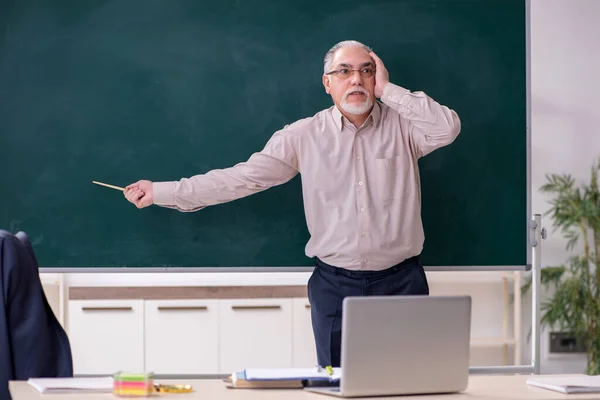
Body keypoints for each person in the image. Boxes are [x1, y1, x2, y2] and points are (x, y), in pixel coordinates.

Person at [124, 40, 461, 368]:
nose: (356, 79)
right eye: (344, 71)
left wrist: (388, 90)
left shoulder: (406, 128)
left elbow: (447, 128)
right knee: (337, 386)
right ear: (326, 83)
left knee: (411, 385)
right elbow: (241, 179)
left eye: (366, 71)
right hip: (335, 286)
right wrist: (163, 192)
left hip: (402, 283)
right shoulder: (302, 136)